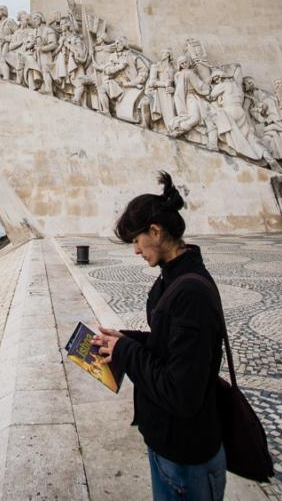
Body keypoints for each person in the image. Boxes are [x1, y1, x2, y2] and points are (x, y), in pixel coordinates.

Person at [93, 172, 226, 501]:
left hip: (186, 457)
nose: (135, 251)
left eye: (136, 241)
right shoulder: (171, 277)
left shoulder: (190, 291)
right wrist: (124, 339)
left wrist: (125, 351)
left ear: (156, 230)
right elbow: (167, 344)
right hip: (167, 444)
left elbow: (182, 393)